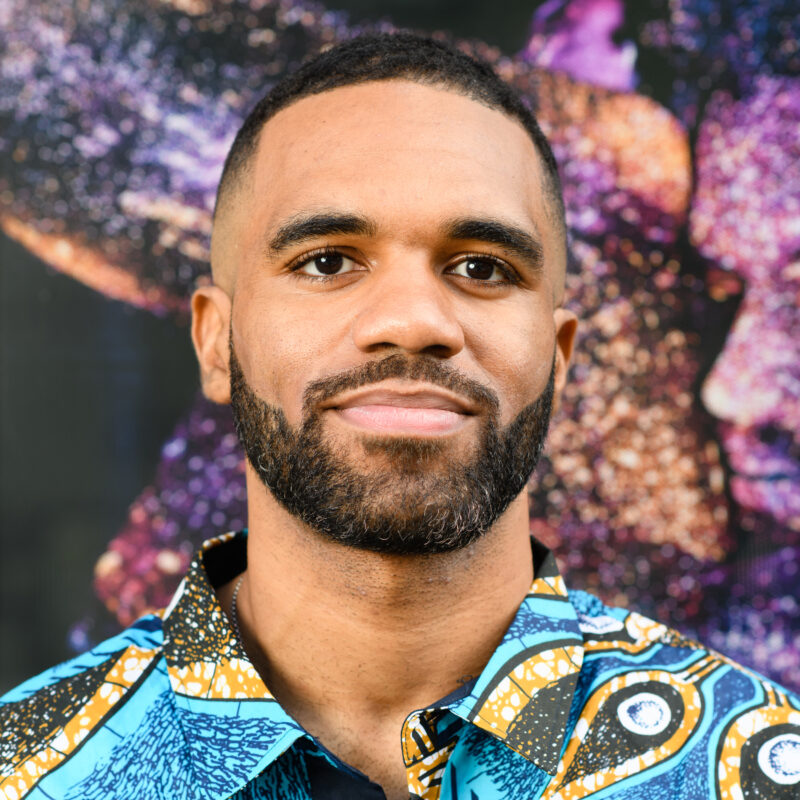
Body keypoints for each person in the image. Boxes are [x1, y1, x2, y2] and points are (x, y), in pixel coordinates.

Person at [2, 32, 799, 800]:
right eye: (327, 261)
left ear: (558, 355)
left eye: (483, 268)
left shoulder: (761, 770)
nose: (415, 320)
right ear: (216, 343)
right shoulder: (26, 772)